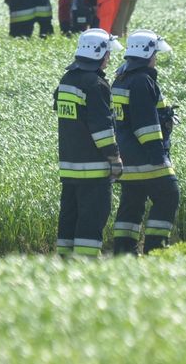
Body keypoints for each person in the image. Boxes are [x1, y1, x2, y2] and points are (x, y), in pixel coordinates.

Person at [55, 28, 124, 257]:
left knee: (69, 218)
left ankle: (63, 263)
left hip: (69, 168)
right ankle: (85, 267)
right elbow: (102, 129)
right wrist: (115, 158)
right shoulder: (96, 85)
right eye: (107, 54)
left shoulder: (66, 80)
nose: (109, 58)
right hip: (94, 170)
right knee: (91, 219)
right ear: (98, 54)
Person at [111, 29, 178, 254]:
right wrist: (157, 156)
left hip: (127, 159)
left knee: (132, 204)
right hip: (146, 159)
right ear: (147, 53)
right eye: (155, 55)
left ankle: (123, 252)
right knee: (168, 196)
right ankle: (155, 251)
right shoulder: (142, 82)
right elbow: (145, 126)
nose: (156, 59)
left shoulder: (121, 78)